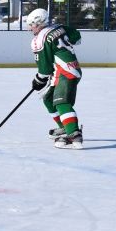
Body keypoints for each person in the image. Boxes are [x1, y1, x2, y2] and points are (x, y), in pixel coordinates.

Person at [27, 8, 83, 149]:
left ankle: (74, 134)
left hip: (65, 72)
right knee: (48, 99)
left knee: (61, 102)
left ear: (39, 23)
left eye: (32, 25)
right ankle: (65, 127)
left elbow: (44, 69)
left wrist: (39, 80)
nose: (30, 29)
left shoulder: (39, 39)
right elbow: (77, 37)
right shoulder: (59, 27)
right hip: (70, 69)